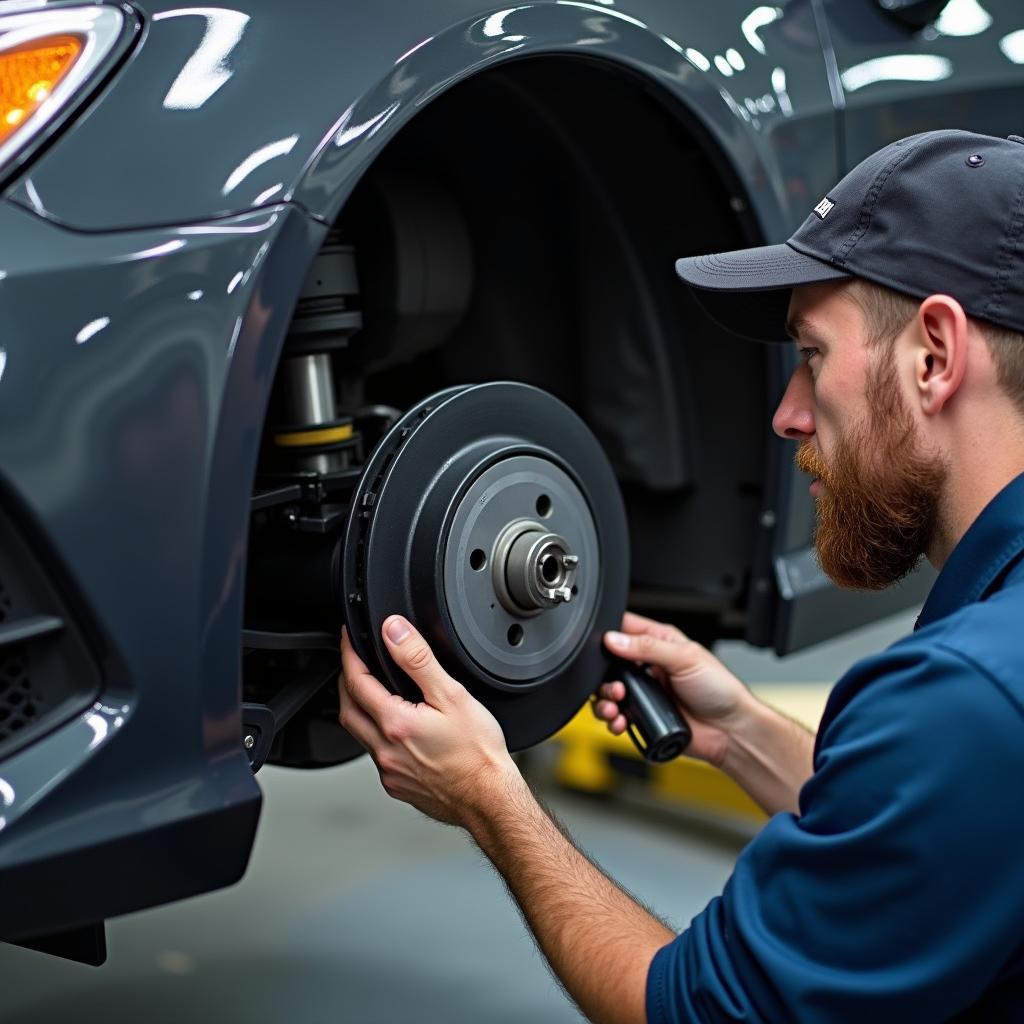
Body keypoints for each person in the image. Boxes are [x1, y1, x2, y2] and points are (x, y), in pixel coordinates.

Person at [338, 129, 1024, 1022]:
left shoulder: (965, 699)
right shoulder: (981, 705)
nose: (786, 415)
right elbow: (947, 826)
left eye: (812, 357)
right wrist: (739, 733)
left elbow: (696, 1012)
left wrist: (491, 801)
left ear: (934, 354)